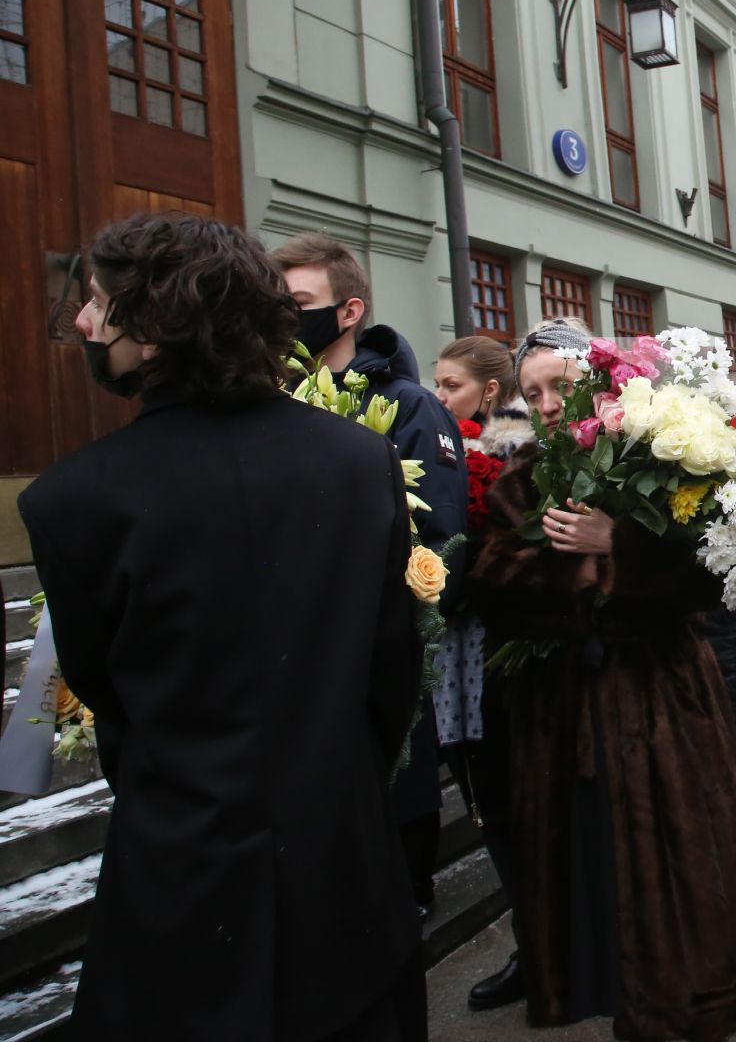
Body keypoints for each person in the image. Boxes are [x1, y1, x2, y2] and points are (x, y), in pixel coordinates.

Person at [18, 214, 425, 1040]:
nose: (88, 325)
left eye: (98, 304)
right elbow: (391, 674)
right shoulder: (355, 462)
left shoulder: (73, 498)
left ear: (159, 324)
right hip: (343, 861)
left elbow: (106, 691)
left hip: (179, 872)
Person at [466, 320, 736, 1037]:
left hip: (663, 710)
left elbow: (713, 577)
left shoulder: (654, 463)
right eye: (531, 393)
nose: (547, 404)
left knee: (680, 897)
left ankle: (683, 1010)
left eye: (559, 386)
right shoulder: (522, 481)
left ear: (595, 386)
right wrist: (573, 569)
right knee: (593, 895)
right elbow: (493, 580)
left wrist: (619, 546)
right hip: (564, 722)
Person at [274, 232, 466, 919]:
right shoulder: (269, 399)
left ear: (348, 310)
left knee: (392, 810)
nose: (283, 315)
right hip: (295, 658)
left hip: (379, 647)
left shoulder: (408, 406)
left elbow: (439, 539)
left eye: (299, 302)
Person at [432, 336, 536, 1011]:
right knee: (482, 797)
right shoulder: (436, 449)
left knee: (516, 796)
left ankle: (548, 942)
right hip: (454, 650)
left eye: (452, 387)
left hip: (504, 648)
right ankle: (533, 942)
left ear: (490, 393)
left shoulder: (518, 450)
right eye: (436, 385)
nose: (438, 399)